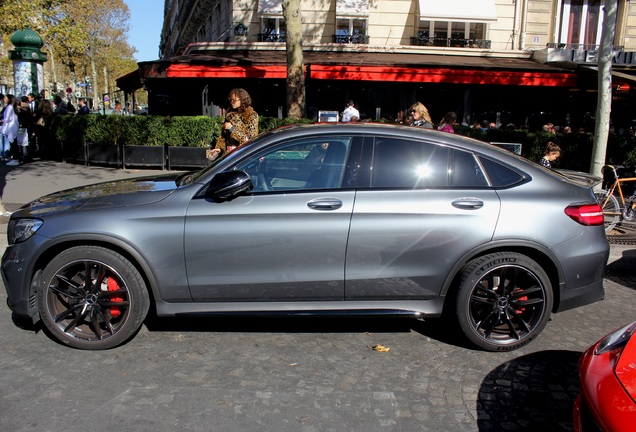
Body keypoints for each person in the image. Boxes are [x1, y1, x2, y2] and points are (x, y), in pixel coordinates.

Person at [208, 88, 259, 159]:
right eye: (230, 100)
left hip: (243, 154)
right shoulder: (229, 115)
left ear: (242, 100)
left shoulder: (251, 115)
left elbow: (250, 140)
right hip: (229, 155)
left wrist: (232, 129)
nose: (232, 102)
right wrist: (219, 149)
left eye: (234, 100)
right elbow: (223, 136)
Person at [1, 94, 19, 164]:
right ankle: (15, 158)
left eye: (5, 98)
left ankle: (15, 158)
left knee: (13, 143)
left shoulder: (9, 107)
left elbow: (7, 118)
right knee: (13, 143)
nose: (4, 99)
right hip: (12, 127)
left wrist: (2, 120)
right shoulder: (11, 107)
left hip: (11, 128)